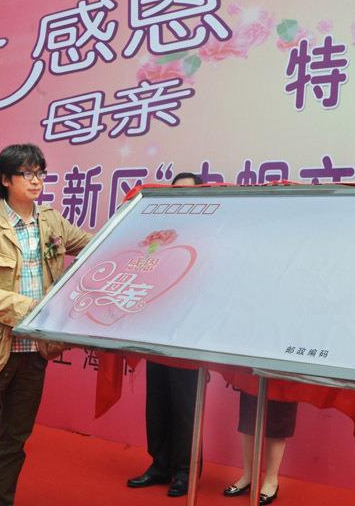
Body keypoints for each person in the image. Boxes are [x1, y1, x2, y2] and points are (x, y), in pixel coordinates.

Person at [0, 143, 93, 506]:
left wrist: (141, 229)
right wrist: (27, 308)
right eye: (27, 173)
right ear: (5, 179)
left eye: (40, 173)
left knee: (14, 442)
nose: (36, 180)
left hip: (33, 352)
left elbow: (96, 245)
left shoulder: (52, 222)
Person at [127, 172, 205, 498]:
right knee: (157, 400)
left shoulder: (209, 233)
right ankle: (160, 464)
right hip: (156, 330)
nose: (181, 197)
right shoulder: (160, 235)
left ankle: (186, 470)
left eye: (188, 191)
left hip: (188, 335)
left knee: (185, 405)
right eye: (176, 191)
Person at [223, 392, 297, 505]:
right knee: (249, 415)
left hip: (284, 384)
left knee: (278, 414)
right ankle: (248, 476)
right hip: (253, 382)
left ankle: (271, 480)